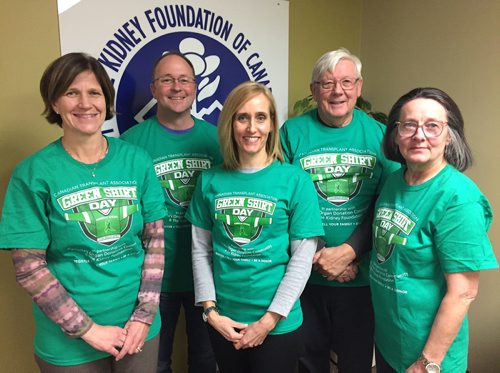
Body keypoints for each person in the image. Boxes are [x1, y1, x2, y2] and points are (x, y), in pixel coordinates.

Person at [0, 52, 167, 372]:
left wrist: (144, 316)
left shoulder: (137, 160)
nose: (85, 103)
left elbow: (155, 242)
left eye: (94, 92)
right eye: (71, 93)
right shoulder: (33, 173)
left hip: (138, 331)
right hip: (68, 343)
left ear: (107, 100)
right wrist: (88, 330)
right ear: (53, 103)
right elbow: (28, 265)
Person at [185, 81, 324, 373]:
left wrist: (268, 321)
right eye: (242, 117)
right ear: (230, 124)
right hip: (225, 322)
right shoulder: (210, 180)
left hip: (278, 325)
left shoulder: (295, 181)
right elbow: (200, 251)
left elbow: (301, 260)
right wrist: (211, 313)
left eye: (261, 117)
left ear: (272, 124)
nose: (252, 128)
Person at [280, 48, 400, 372]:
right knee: (307, 363)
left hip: (360, 279)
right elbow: (282, 201)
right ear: (313, 90)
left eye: (346, 82)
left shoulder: (379, 135)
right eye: (328, 83)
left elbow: (389, 201)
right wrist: (320, 256)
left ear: (359, 87)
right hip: (305, 277)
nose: (338, 91)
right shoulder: (290, 134)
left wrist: (349, 252)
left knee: (356, 364)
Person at [370, 87, 498, 373]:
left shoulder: (458, 198)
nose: (419, 135)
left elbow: (463, 293)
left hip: (427, 356)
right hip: (391, 342)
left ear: (449, 135)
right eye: (409, 125)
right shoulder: (394, 181)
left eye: (432, 126)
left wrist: (428, 362)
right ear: (395, 133)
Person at [121, 51, 220, 373]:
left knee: (206, 361)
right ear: (153, 88)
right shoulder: (130, 144)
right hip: (152, 280)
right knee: (154, 362)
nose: (176, 87)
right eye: (167, 80)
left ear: (195, 87)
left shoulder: (218, 140)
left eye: (184, 80)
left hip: (206, 274)